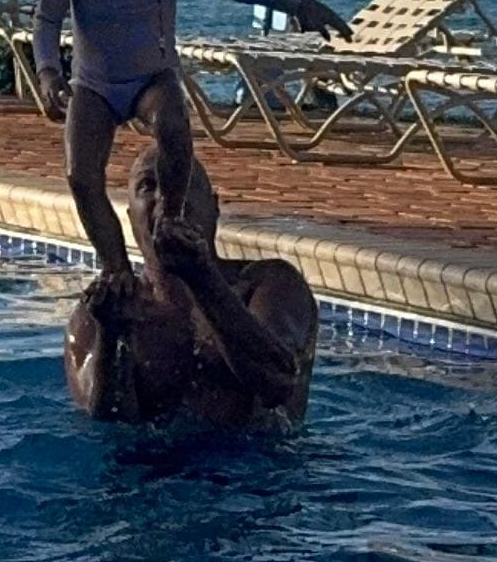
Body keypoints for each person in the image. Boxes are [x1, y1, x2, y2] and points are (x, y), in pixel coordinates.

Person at [33, 0, 348, 277]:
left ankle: (170, 218)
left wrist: (299, 2)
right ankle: (116, 270)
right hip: (94, 84)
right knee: (80, 176)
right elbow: (47, 18)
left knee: (173, 125)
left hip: (151, 78)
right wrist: (48, 73)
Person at [63, 133, 318, 427]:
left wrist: (201, 277)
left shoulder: (270, 285)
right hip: (149, 458)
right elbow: (106, 426)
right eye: (148, 185)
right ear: (131, 218)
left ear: (213, 207)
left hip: (256, 455)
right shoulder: (101, 311)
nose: (166, 198)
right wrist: (111, 337)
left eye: (180, 180)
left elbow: (277, 383)